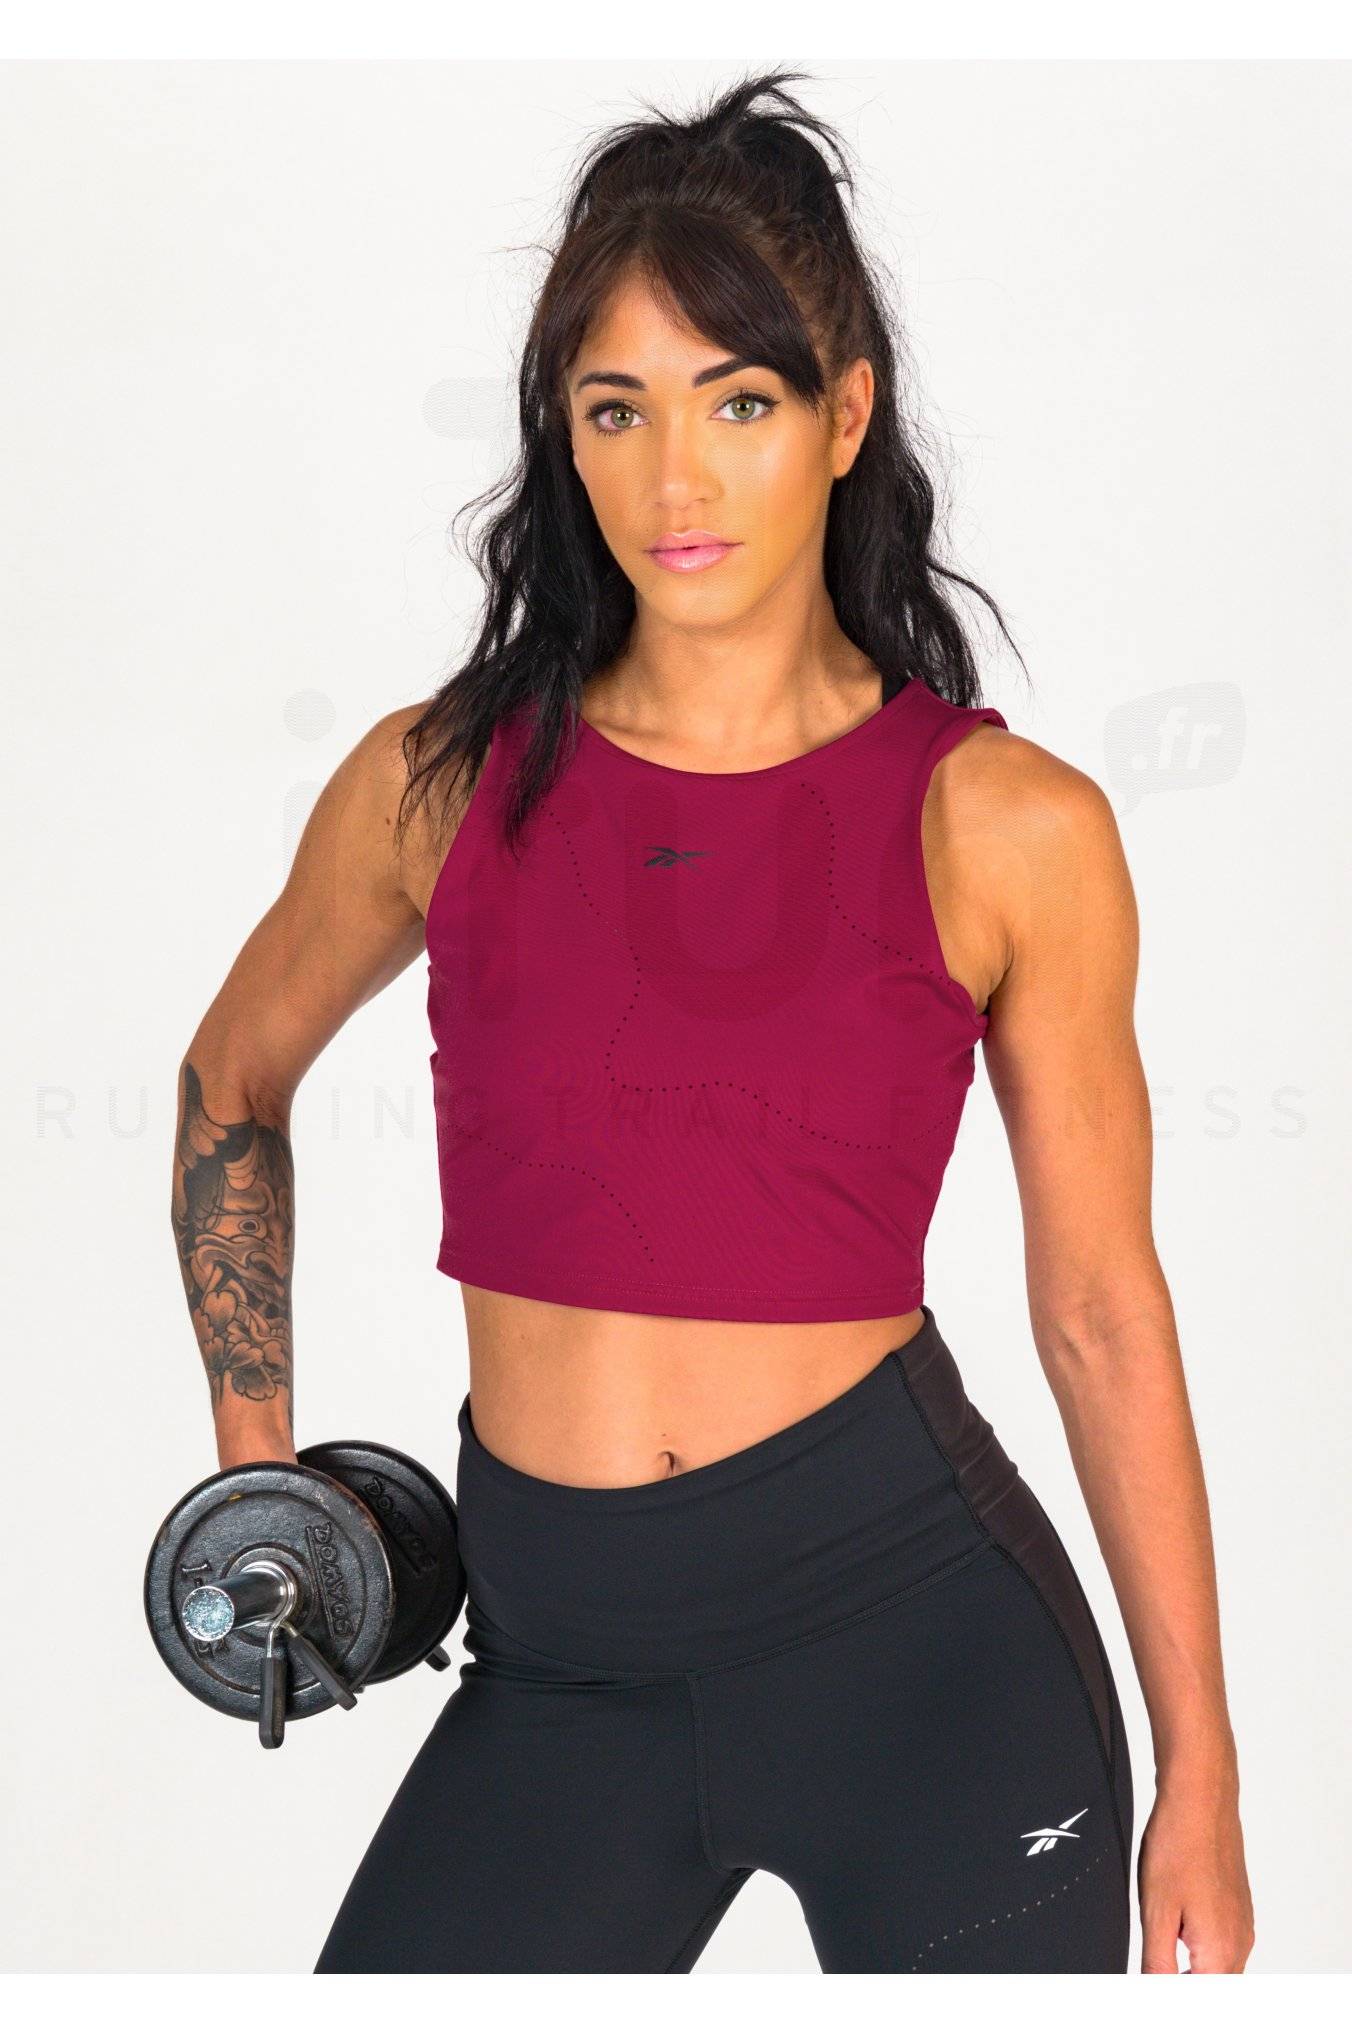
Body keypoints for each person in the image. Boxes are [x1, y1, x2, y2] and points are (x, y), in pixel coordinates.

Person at [171, 69, 1254, 1973]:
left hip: (923, 1651)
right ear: (566, 436)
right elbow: (231, 1076)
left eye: (738, 401)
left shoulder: (1007, 827)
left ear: (846, 415)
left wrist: (1205, 1767)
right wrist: (260, 1463)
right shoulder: (437, 785)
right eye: (619, 408)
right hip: (560, 1658)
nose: (676, 478)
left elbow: (1099, 1307)